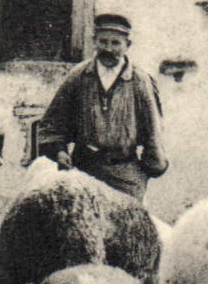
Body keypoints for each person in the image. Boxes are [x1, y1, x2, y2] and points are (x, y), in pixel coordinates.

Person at [34, 13, 168, 201]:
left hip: (125, 175)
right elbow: (52, 124)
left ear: (127, 45)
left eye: (116, 43)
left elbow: (154, 129)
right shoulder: (78, 76)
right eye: (103, 42)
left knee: (127, 227)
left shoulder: (140, 81)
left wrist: (146, 170)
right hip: (84, 170)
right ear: (94, 42)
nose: (108, 48)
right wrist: (60, 151)